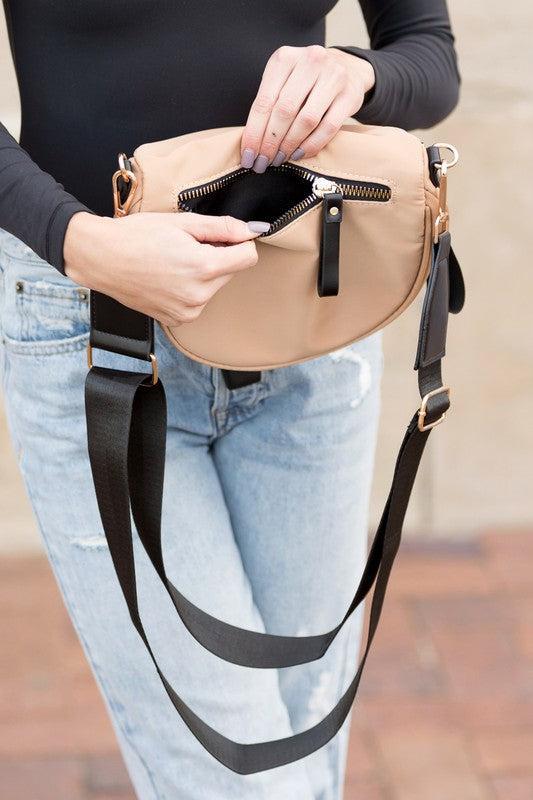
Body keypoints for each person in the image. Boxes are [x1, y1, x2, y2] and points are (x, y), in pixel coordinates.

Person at [0, 1, 460, 798]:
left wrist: (358, 73)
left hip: (309, 317)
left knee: (306, 734)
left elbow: (427, 53)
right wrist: (79, 241)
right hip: (103, 330)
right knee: (234, 775)